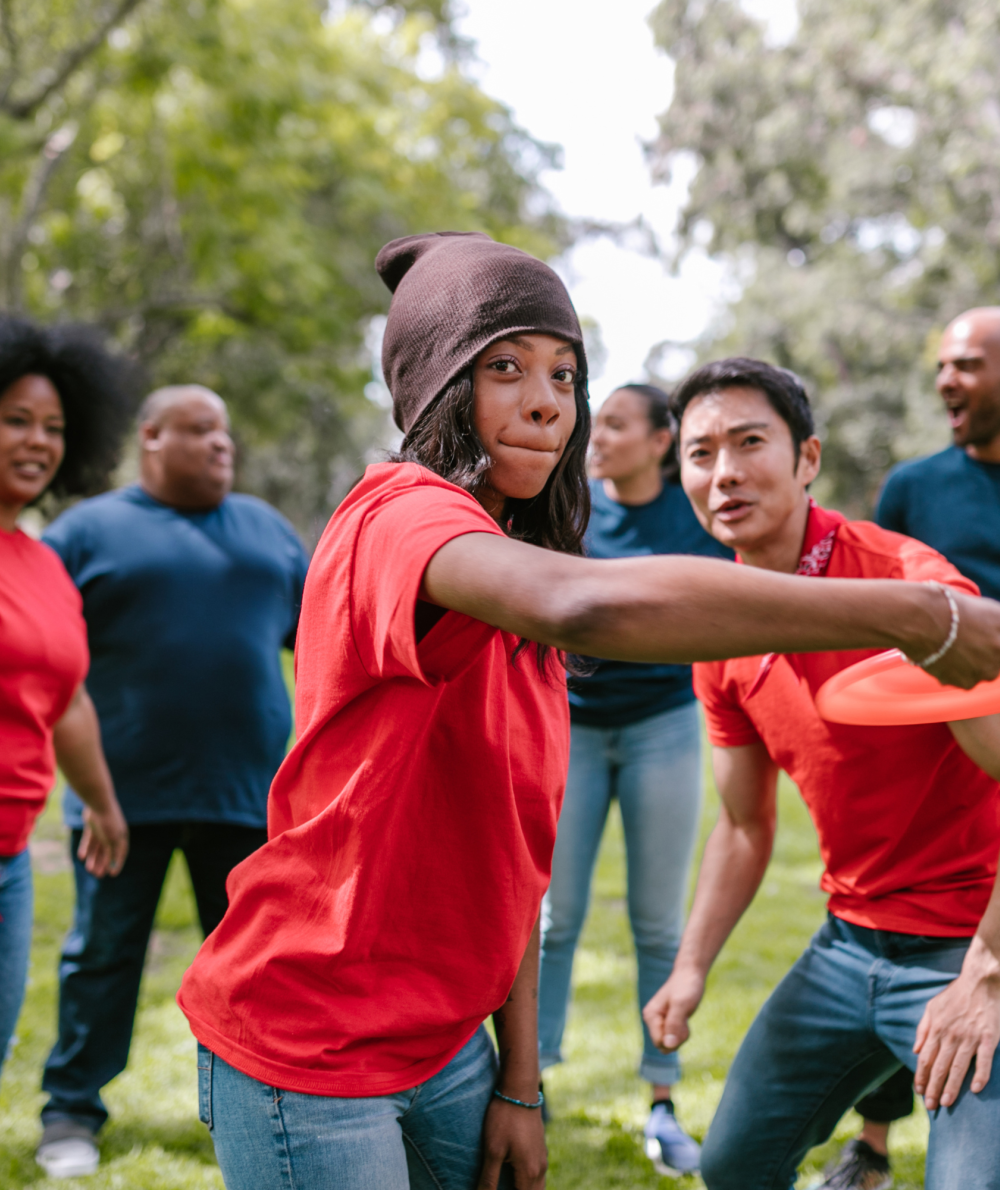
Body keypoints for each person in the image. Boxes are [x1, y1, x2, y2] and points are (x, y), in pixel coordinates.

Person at [175, 232, 1000, 1190]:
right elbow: (590, 605)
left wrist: (520, 1079)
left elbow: (513, 855)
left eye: (566, 375)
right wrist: (912, 617)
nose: (546, 401)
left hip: (447, 1047)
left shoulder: (513, 596)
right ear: (437, 385)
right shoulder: (397, 517)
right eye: (505, 368)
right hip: (312, 1038)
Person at [643, 357, 1000, 1190]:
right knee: (733, 1169)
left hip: (968, 946)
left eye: (749, 442)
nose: (724, 471)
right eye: (700, 454)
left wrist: (986, 977)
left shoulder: (913, 594)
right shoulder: (719, 630)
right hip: (847, 947)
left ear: (807, 459)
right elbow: (741, 822)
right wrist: (691, 967)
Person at [35, 384, 309, 1178]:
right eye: (199, 431)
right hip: (118, 803)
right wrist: (90, 795)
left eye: (225, 432)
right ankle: (70, 1111)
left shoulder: (266, 530)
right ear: (151, 437)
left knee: (254, 968)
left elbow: (322, 647)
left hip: (248, 797)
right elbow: (46, 663)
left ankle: (268, 1107)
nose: (221, 445)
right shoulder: (84, 533)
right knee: (102, 956)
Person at [817, 309, 1000, 1190]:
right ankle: (875, 1147)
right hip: (942, 747)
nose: (945, 382)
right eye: (941, 365)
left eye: (967, 364)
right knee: (905, 946)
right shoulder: (916, 486)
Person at [537, 382, 731, 1176]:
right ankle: (530, 1087)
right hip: (572, 727)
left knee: (658, 924)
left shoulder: (695, 517)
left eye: (616, 425)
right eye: (598, 424)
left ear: (660, 440)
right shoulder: (566, 507)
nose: (597, 437)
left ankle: (662, 1102)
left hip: (663, 728)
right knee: (554, 917)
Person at [0, 317, 130, 1097]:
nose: (38, 442)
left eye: (53, 427)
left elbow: (66, 696)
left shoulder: (43, 562)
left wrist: (102, 805)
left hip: (12, 859)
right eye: (15, 420)